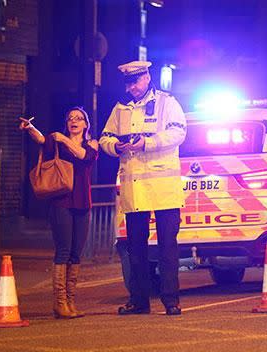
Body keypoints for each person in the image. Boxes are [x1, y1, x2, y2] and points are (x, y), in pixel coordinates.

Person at [100, 60, 186, 316]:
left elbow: (178, 133)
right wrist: (115, 147)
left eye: (135, 81)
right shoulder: (120, 108)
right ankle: (139, 300)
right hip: (134, 189)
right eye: (128, 82)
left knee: (167, 248)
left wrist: (146, 143)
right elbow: (105, 137)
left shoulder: (166, 103)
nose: (131, 87)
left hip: (163, 189)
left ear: (147, 78)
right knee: (135, 247)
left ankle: (171, 301)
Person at [19, 107, 99, 319]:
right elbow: (42, 140)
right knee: (63, 251)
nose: (74, 121)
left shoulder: (91, 144)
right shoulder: (57, 142)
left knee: (76, 253)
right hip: (61, 203)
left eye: (79, 118)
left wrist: (64, 139)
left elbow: (83, 156)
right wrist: (30, 128)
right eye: (70, 117)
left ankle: (71, 302)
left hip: (83, 203)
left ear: (85, 125)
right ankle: (60, 303)